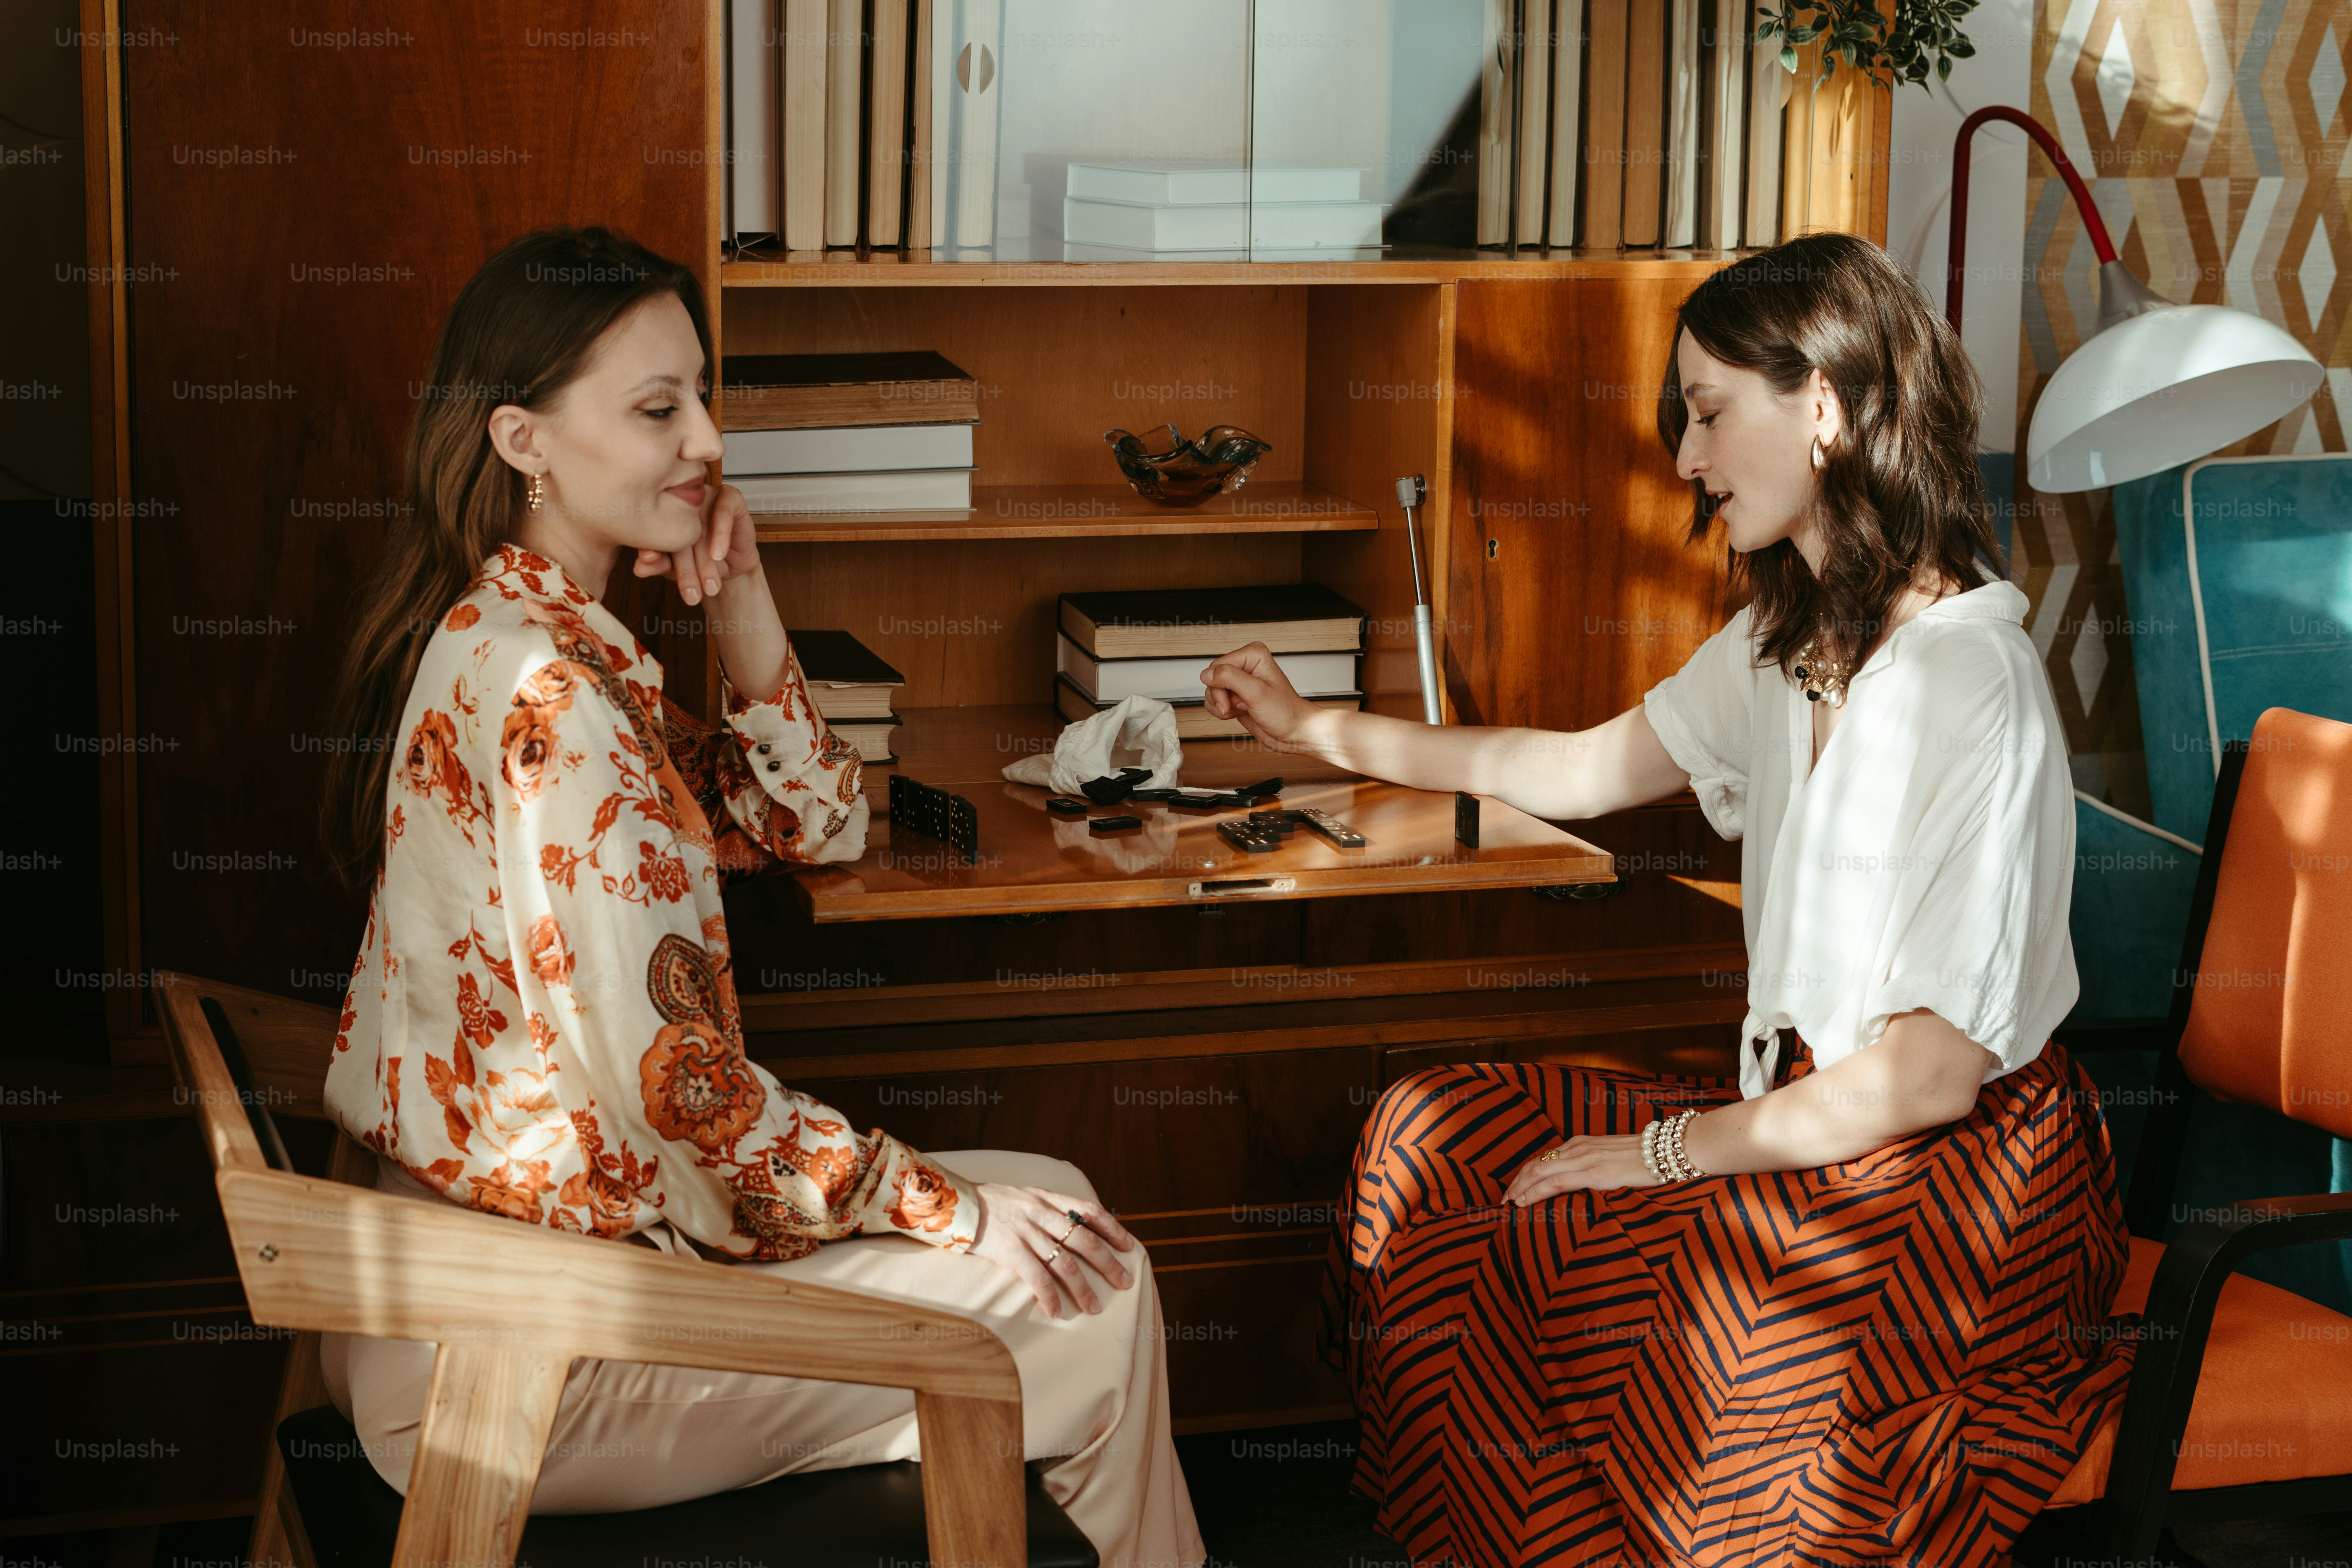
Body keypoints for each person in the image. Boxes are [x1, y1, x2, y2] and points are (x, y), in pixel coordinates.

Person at [1198, 232, 2134, 1568]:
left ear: (1826, 402)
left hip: (1954, 1175)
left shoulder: (1969, 687)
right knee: (1431, 1140)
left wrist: (1662, 1154)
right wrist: (1318, 728)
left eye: (1708, 414)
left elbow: (1925, 1077)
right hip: (1791, 1117)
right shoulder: (1785, 640)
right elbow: (1576, 770)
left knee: (1611, 1278)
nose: (1686, 461)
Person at [314, 224, 1203, 1568]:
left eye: (704, 398)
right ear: (524, 441)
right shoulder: (554, 698)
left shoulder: (522, 633)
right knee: (1094, 1289)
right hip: (527, 1354)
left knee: (1066, 1212)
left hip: (500, 1285)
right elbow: (689, 1097)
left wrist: (741, 598)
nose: (710, 441)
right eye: (660, 408)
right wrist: (945, 1206)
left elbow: (815, 821)